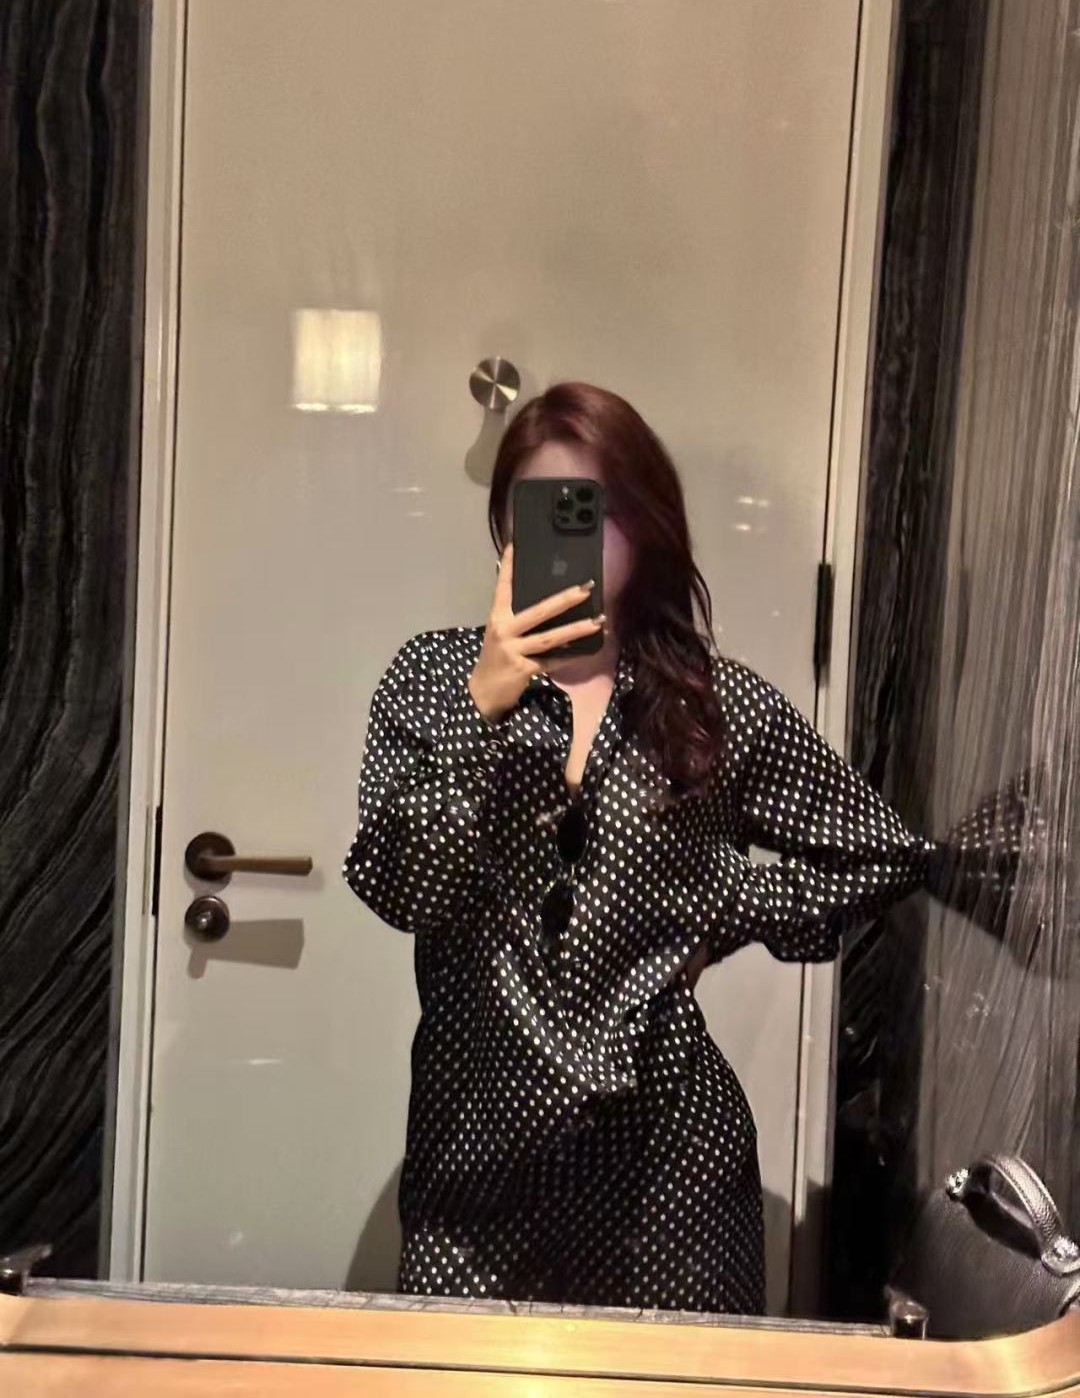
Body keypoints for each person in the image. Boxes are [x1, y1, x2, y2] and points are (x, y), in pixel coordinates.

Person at [342, 380, 936, 1314]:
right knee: (464, 1377)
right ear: (505, 525)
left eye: (600, 508)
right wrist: (481, 708)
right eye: (546, 508)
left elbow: (884, 853)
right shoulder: (430, 681)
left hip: (670, 1179)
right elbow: (403, 888)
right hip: (476, 1174)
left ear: (646, 526)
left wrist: (721, 904)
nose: (574, 535)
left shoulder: (709, 706)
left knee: (672, 1381)